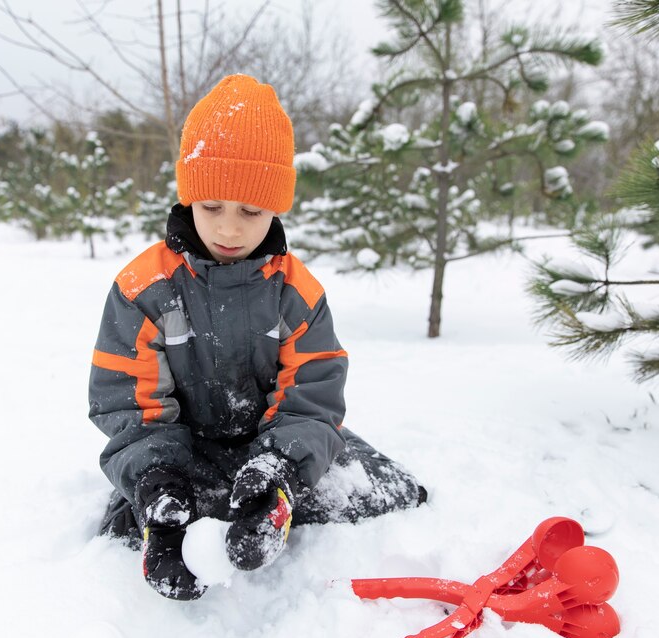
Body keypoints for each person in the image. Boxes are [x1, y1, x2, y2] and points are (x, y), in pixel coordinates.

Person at [89, 74, 425, 601]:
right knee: (149, 516)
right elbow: (128, 405)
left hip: (272, 445)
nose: (229, 230)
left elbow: (313, 401)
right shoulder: (143, 290)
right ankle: (165, 503)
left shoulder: (297, 293)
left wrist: (281, 471)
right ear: (189, 198)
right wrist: (159, 483)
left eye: (250, 211)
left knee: (374, 490)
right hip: (184, 451)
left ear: (275, 209)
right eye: (212, 207)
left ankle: (274, 494)